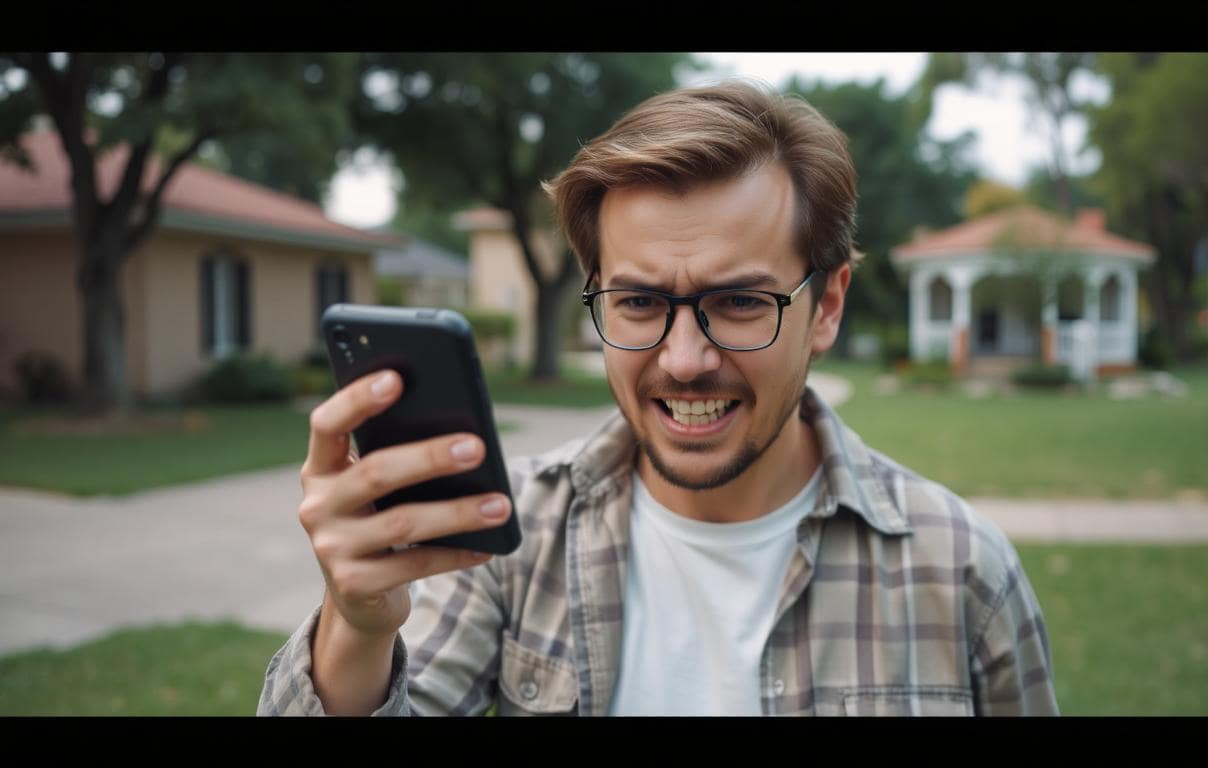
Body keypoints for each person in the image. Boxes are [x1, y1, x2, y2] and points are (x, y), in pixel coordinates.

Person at [258, 80, 1059, 717]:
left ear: (830, 306)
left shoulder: (962, 573)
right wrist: (357, 630)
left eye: (741, 302)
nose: (683, 360)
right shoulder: (505, 546)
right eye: (639, 303)